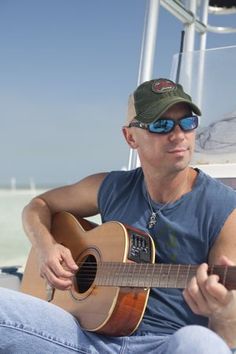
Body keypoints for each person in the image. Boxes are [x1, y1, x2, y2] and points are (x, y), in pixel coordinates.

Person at [1, 78, 236, 354]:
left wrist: (223, 313)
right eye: (161, 125)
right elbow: (38, 205)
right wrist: (46, 247)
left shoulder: (225, 208)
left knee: (201, 344)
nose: (178, 135)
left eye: (187, 122)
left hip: (164, 345)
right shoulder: (111, 187)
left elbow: (228, 337)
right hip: (87, 337)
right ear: (130, 137)